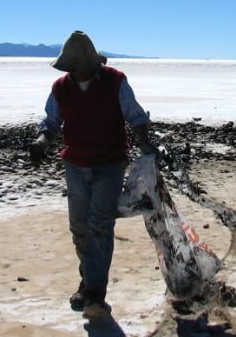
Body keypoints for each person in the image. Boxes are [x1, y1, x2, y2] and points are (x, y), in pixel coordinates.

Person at [30, 30, 156, 317]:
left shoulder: (115, 81)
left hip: (109, 165)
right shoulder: (61, 87)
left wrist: (147, 144)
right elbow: (51, 122)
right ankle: (87, 281)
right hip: (75, 164)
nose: (72, 72)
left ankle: (95, 293)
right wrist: (41, 142)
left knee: (99, 226)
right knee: (80, 229)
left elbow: (134, 115)